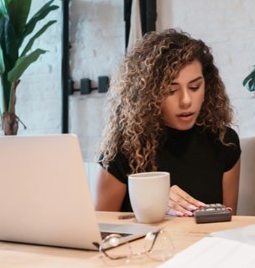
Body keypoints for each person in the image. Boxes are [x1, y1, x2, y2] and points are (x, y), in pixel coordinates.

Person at [95, 29, 241, 217]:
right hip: (144, 246)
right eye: (171, 90)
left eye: (195, 87)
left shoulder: (224, 141)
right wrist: (151, 203)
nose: (186, 100)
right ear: (148, 95)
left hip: (205, 245)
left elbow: (229, 221)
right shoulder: (123, 147)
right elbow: (101, 229)